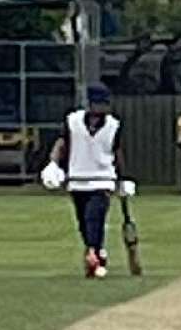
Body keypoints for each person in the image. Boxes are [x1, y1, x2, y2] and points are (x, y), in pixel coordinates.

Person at [42, 84, 134, 279]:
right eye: (99, 104)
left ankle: (92, 255)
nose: (103, 108)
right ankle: (97, 252)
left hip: (103, 180)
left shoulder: (113, 125)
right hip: (77, 179)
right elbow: (62, 143)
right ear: (90, 104)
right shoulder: (73, 121)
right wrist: (53, 163)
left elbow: (116, 152)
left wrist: (123, 178)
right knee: (83, 223)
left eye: (105, 104)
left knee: (94, 217)